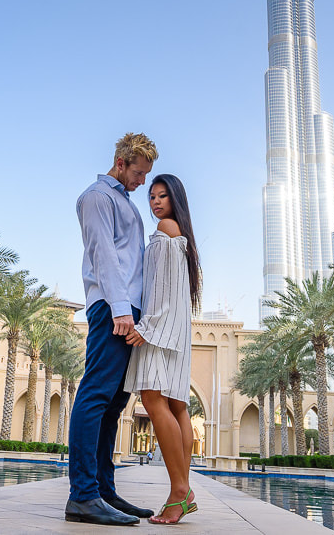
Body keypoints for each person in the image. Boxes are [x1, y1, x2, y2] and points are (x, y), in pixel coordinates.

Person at [65, 132, 159, 526]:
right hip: (111, 309)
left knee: (116, 403)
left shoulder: (122, 201)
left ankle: (103, 490)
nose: (142, 182)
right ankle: (82, 495)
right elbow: (104, 256)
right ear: (121, 164)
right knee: (95, 395)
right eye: (138, 173)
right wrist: (121, 311)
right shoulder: (97, 197)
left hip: (128, 311)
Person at [123, 173, 201, 525]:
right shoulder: (179, 234)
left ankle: (179, 492)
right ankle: (183, 491)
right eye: (152, 196)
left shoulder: (166, 231)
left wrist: (147, 328)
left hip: (160, 330)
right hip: (175, 331)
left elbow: (163, 289)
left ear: (175, 200)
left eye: (162, 196)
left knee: (153, 400)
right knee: (176, 405)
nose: (155, 202)